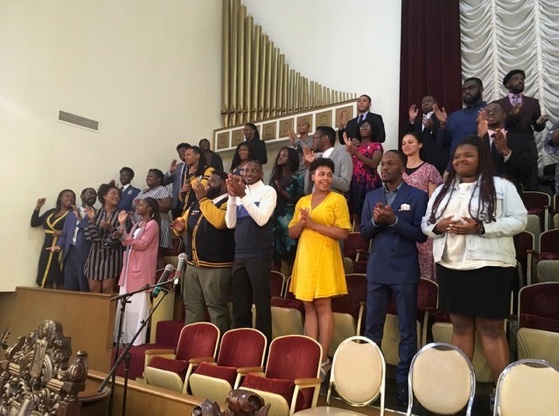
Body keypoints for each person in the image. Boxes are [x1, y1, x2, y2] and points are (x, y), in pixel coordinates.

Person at [422, 135, 527, 405]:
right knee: (460, 326)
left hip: (490, 265)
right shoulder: (443, 190)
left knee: (491, 329)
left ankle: (502, 394)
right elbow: (426, 222)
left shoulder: (501, 186)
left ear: (481, 157)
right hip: (451, 264)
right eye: (457, 157)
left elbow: (519, 220)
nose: (460, 160)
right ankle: (460, 390)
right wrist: (438, 226)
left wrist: (481, 227)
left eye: (467, 155)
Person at [360, 150, 428, 408]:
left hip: (404, 271)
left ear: (402, 169)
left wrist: (394, 220)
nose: (384, 167)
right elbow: (364, 233)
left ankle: (403, 383)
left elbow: (420, 235)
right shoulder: (371, 196)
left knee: (407, 331)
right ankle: (371, 378)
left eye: (390, 164)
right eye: (383, 164)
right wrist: (377, 221)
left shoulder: (418, 196)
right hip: (377, 270)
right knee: (372, 329)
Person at [288, 158, 351, 380]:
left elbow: (343, 232)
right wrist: (302, 223)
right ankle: (311, 354)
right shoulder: (303, 201)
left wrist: (313, 225)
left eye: (328, 174)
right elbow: (292, 233)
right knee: (308, 306)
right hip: (305, 256)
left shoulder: (338, 199)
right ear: (312, 176)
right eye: (321, 174)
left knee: (323, 305)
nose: (325, 178)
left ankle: (323, 359)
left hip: (325, 256)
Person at [172, 171, 235, 335]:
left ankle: (220, 346)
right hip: (192, 265)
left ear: (223, 185)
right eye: (208, 181)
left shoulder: (230, 202)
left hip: (216, 266)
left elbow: (220, 222)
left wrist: (202, 200)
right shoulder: (195, 204)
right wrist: (180, 229)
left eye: (213, 181)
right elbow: (183, 222)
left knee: (216, 307)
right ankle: (193, 344)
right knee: (192, 307)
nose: (208, 185)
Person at [225, 160, 277, 342]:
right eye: (245, 170)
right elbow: (230, 223)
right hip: (240, 254)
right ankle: (242, 344)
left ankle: (264, 345)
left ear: (261, 174)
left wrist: (243, 196)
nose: (248, 173)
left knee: (261, 302)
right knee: (240, 303)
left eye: (253, 170)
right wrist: (232, 196)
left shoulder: (268, 191)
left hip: (259, 254)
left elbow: (262, 219)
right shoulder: (240, 193)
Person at [115, 197, 160, 346]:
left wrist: (126, 237)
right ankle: (123, 338)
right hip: (129, 268)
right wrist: (121, 225)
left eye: (142, 205)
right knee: (126, 304)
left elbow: (142, 244)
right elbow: (124, 242)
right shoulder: (136, 225)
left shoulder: (152, 225)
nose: (138, 207)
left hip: (142, 269)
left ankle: (135, 340)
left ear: (149, 209)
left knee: (137, 304)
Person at [495, 69, 549, 190]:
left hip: (527, 149)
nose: (520, 81)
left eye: (522, 79)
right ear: (507, 84)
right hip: (506, 148)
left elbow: (538, 127)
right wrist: (510, 116)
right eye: (516, 79)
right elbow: (496, 126)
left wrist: (540, 123)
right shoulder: (498, 104)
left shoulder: (532, 102)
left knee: (532, 184)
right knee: (508, 186)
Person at [401, 133, 443, 280]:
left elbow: (434, 200)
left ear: (420, 144)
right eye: (404, 143)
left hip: (422, 222)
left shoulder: (429, 169)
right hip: (402, 223)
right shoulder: (399, 171)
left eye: (410, 142)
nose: (406, 145)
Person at [477, 102, 532, 193]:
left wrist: (506, 152)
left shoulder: (520, 139)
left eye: (495, 110)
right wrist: (480, 137)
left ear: (504, 115)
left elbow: (527, 172)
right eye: (487, 111)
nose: (491, 113)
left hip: (511, 192)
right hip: (481, 190)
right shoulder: (477, 139)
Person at [49, 187, 97, 291]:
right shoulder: (71, 214)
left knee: (83, 286)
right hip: (69, 253)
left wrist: (80, 219)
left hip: (85, 254)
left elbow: (93, 233)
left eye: (94, 194)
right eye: (89, 193)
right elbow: (65, 234)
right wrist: (59, 246)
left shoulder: (97, 214)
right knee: (69, 287)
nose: (92, 196)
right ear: (82, 196)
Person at [436, 77, 487, 171]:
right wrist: (443, 124)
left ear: (481, 89)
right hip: (453, 170)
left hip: (481, 169)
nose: (467, 92)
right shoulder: (454, 116)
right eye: (464, 90)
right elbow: (443, 143)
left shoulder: (489, 112)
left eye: (471, 88)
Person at [269, 147, 304, 274]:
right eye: (280, 154)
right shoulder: (274, 178)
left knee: (290, 253)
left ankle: (289, 284)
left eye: (284, 155)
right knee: (275, 254)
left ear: (291, 159)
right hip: (276, 217)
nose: (280, 157)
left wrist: (283, 193)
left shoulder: (298, 178)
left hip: (289, 217)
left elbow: (301, 200)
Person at [31, 189, 76, 288]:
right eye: (67, 196)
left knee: (59, 278)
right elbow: (34, 223)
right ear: (60, 197)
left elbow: (76, 230)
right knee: (46, 278)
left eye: (72, 197)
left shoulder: (73, 214)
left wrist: (62, 233)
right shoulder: (51, 212)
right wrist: (38, 207)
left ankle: (60, 302)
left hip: (60, 249)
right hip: (47, 248)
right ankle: (48, 302)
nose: (70, 199)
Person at [343, 120, 383, 228]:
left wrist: (355, 152)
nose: (364, 129)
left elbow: (374, 164)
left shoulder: (377, 145)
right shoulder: (354, 146)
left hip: (370, 183)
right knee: (356, 215)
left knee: (370, 212)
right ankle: (357, 242)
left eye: (367, 126)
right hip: (355, 182)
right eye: (361, 127)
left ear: (373, 129)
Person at [84, 183, 123, 293]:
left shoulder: (122, 214)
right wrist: (91, 221)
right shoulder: (94, 213)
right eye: (113, 193)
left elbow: (119, 237)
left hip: (112, 255)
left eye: (118, 195)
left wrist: (111, 228)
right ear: (104, 196)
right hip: (94, 255)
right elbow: (89, 236)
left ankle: (109, 311)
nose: (116, 196)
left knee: (107, 289)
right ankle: (93, 311)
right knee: (93, 289)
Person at [405, 95, 449, 175]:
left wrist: (432, 127)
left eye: (428, 101)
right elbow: (408, 136)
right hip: (420, 161)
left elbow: (445, 137)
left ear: (435, 104)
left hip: (437, 161)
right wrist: (411, 121)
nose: (425, 103)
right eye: (423, 102)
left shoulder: (441, 118)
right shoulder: (417, 120)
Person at [303, 126, 352, 195]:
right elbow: (307, 190)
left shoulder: (344, 155)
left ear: (325, 139)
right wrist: (311, 168)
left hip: (333, 203)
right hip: (314, 202)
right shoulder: (315, 158)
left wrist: (319, 170)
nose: (312, 142)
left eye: (314, 138)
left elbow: (345, 186)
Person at [134, 169, 173, 252]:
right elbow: (135, 203)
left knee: (158, 254)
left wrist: (149, 204)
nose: (148, 178)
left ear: (159, 179)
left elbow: (167, 205)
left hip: (158, 225)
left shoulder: (162, 189)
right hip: (141, 226)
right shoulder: (143, 191)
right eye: (147, 176)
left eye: (151, 176)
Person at [179, 146, 214, 213]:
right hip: (186, 212)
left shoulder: (209, 170)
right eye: (185, 155)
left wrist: (192, 176)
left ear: (197, 156)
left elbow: (201, 189)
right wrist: (181, 192)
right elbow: (184, 199)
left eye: (188, 155)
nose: (185, 157)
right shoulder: (189, 172)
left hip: (200, 211)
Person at [164, 142, 191, 219]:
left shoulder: (195, 166)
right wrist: (170, 172)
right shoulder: (177, 167)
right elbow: (164, 182)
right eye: (179, 153)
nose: (181, 154)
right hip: (176, 202)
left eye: (183, 151)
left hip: (189, 201)